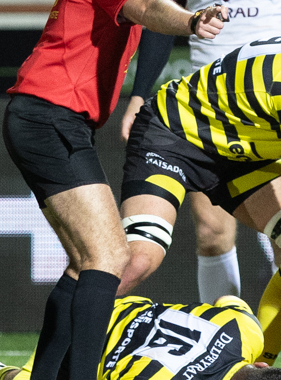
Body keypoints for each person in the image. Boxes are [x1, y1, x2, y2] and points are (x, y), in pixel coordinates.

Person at [1, 0, 228, 380]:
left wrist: (139, 93)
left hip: (49, 121)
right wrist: (193, 21)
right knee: (110, 253)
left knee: (86, 263)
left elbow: (147, 16)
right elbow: (147, 9)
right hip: (48, 119)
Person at [120, 0, 281, 304]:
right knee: (213, 233)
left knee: (279, 241)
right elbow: (157, 24)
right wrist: (139, 96)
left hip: (269, 102)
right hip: (210, 108)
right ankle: (224, 354)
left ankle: (261, 364)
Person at [117, 38, 281, 363]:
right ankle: (38, 374)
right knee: (138, 259)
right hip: (176, 130)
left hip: (246, 145)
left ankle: (249, 368)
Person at [0, 295, 281, 380]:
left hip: (104, 304)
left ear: (261, 365)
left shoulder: (248, 332)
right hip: (73, 353)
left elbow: (229, 301)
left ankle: (2, 373)